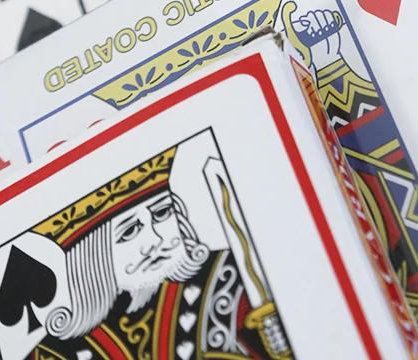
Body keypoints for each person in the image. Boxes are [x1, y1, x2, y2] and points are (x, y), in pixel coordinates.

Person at [29, 147, 291, 360]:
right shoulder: (55, 351)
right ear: (91, 259)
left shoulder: (229, 274)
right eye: (129, 232)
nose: (154, 240)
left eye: (162, 213)